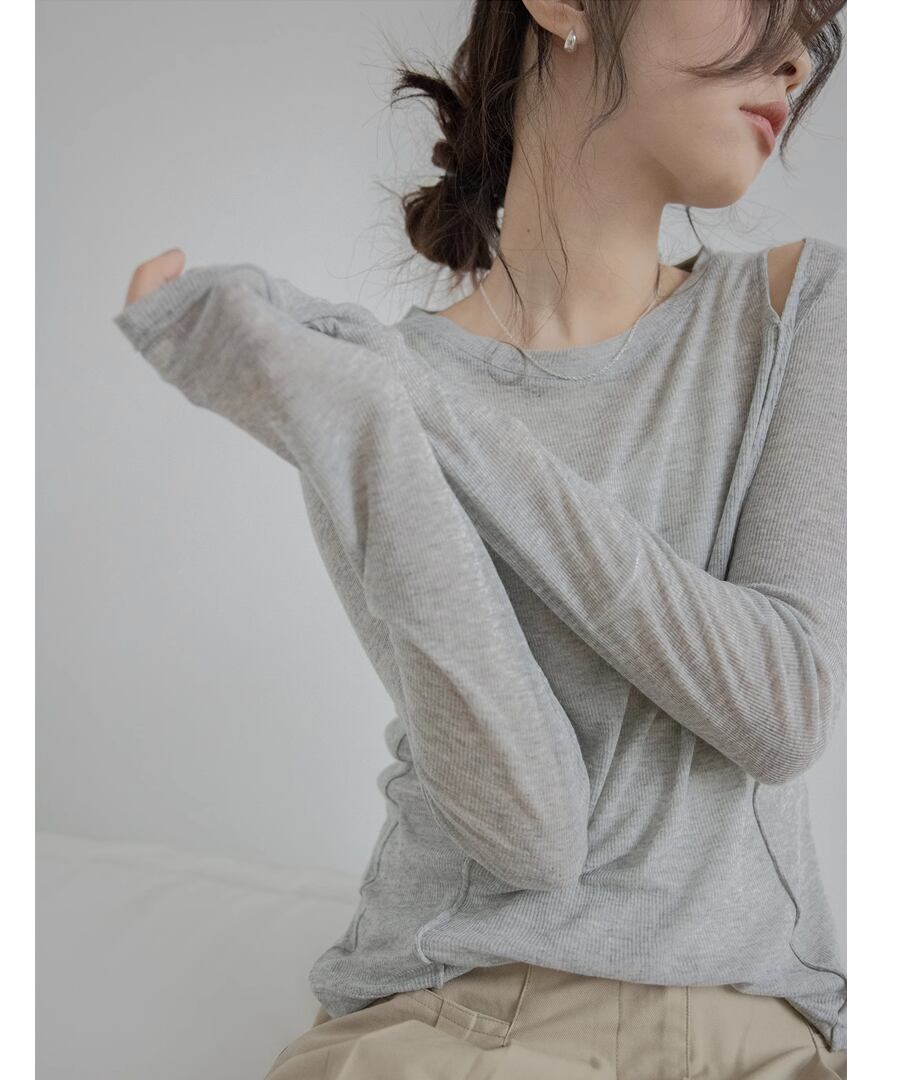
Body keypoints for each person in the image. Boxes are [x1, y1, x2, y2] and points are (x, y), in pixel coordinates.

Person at [113, 1, 847, 1076]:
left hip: (750, 1032)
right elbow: (530, 833)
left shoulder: (798, 308)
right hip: (443, 1019)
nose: (795, 57)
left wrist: (423, 413)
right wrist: (372, 425)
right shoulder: (359, 392)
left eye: (816, 25)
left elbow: (781, 708)